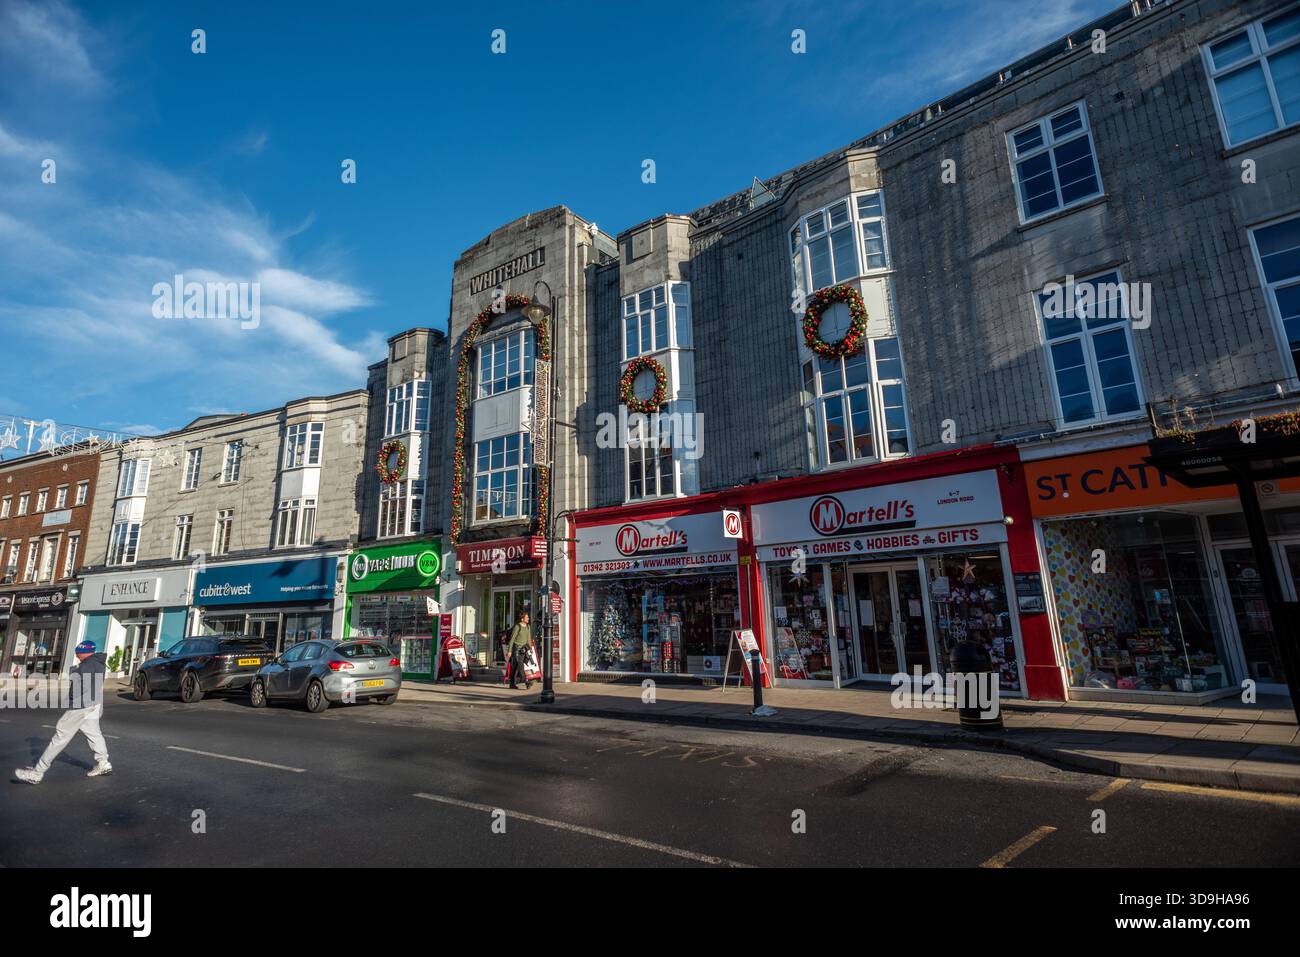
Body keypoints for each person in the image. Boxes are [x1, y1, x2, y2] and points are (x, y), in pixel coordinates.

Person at [15, 640, 112, 784]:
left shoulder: (86, 665)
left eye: (78, 653)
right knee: (94, 734)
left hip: (81, 706)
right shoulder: (99, 663)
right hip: (93, 703)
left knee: (60, 737)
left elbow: (80, 687)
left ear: (83, 652)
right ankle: (103, 763)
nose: (77, 656)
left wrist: (71, 698)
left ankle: (37, 772)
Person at [506, 611, 533, 690]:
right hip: (516, 649)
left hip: (524, 649)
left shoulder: (528, 626)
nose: (528, 618)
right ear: (522, 619)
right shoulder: (517, 626)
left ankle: (512, 684)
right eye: (527, 617)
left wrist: (530, 649)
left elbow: (528, 638)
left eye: (528, 617)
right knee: (520, 665)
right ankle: (527, 682)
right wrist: (509, 651)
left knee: (515, 667)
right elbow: (512, 639)